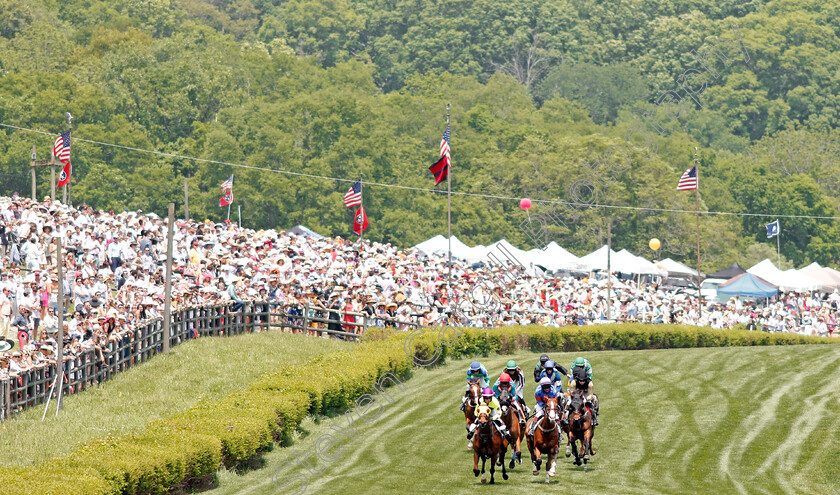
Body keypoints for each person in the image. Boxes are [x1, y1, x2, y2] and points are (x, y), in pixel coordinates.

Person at [566, 356, 598, 426]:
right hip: (576, 390)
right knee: (569, 402)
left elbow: (590, 394)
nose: (582, 382)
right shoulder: (574, 381)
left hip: (586, 390)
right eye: (580, 380)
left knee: (590, 402)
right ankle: (566, 418)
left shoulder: (590, 383)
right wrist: (576, 396)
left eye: (583, 380)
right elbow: (572, 392)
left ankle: (594, 418)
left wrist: (586, 398)